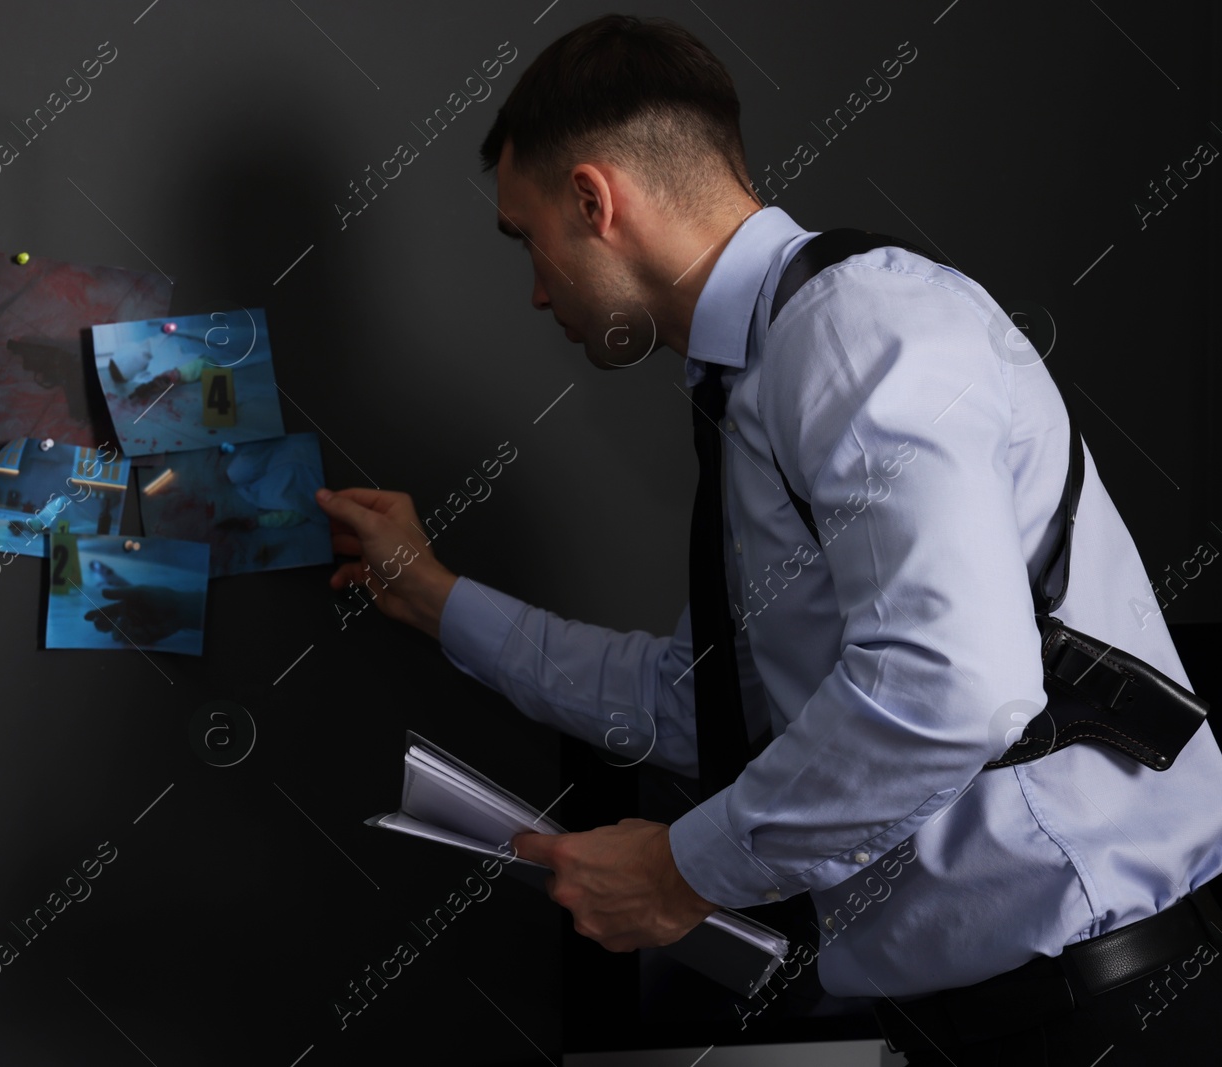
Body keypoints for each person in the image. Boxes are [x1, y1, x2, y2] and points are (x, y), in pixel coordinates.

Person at [313, 13, 1222, 1064]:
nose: (533, 288)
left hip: (1105, 1014)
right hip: (995, 1022)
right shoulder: (763, 374)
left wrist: (680, 870)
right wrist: (432, 595)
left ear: (592, 200)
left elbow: (953, 688)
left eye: (528, 239)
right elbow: (702, 708)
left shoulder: (856, 331)